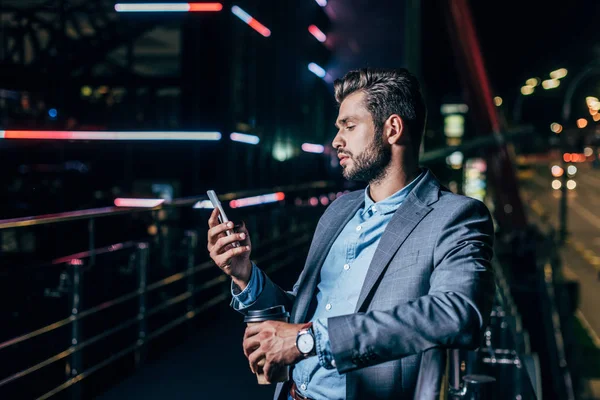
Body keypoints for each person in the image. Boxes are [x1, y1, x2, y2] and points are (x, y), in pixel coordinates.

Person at [207, 68, 495, 400]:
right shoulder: (338, 211)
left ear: (392, 129)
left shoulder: (454, 216)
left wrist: (310, 339)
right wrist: (245, 274)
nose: (337, 141)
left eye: (349, 126)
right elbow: (302, 313)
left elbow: (459, 313)